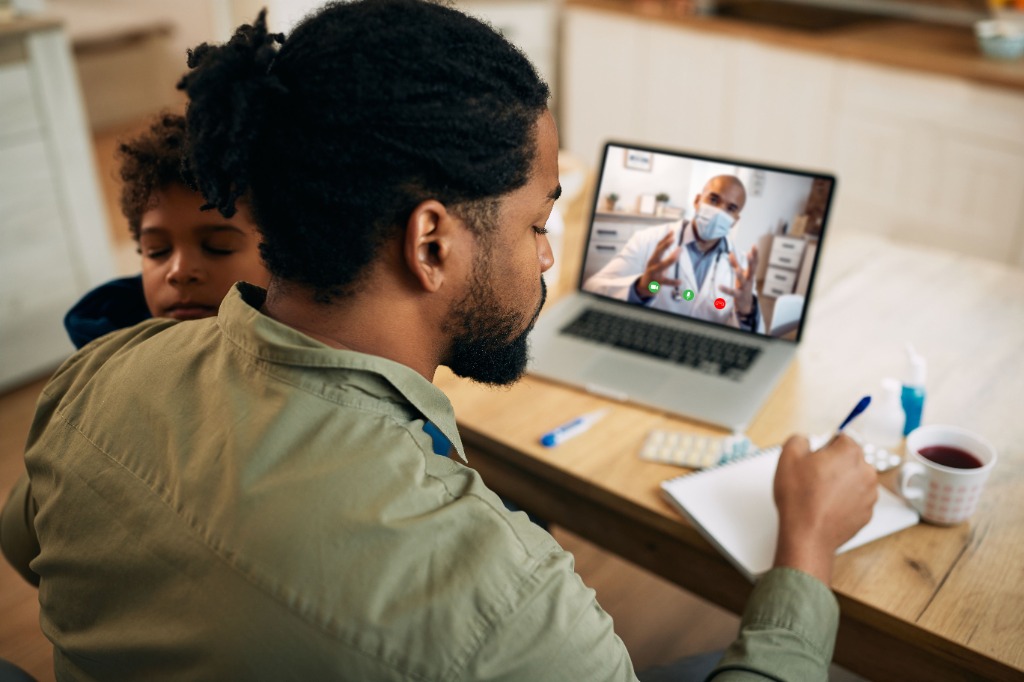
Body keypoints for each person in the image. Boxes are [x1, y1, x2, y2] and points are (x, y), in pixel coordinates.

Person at [0, 1, 877, 679]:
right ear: (432, 244)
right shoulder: (511, 612)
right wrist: (804, 548)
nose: (545, 255)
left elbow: (29, 545)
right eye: (539, 221)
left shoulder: (96, 380)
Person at [63, 113, 270, 349]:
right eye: (157, 250)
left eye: (217, 247)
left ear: (280, 257)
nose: (179, 271)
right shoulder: (102, 360)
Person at [584, 175, 765, 333]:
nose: (719, 212)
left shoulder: (741, 266)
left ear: (735, 220)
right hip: (648, 336)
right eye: (714, 200)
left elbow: (752, 334)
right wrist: (639, 289)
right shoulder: (649, 240)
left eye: (731, 208)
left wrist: (746, 312)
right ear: (697, 201)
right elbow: (592, 287)